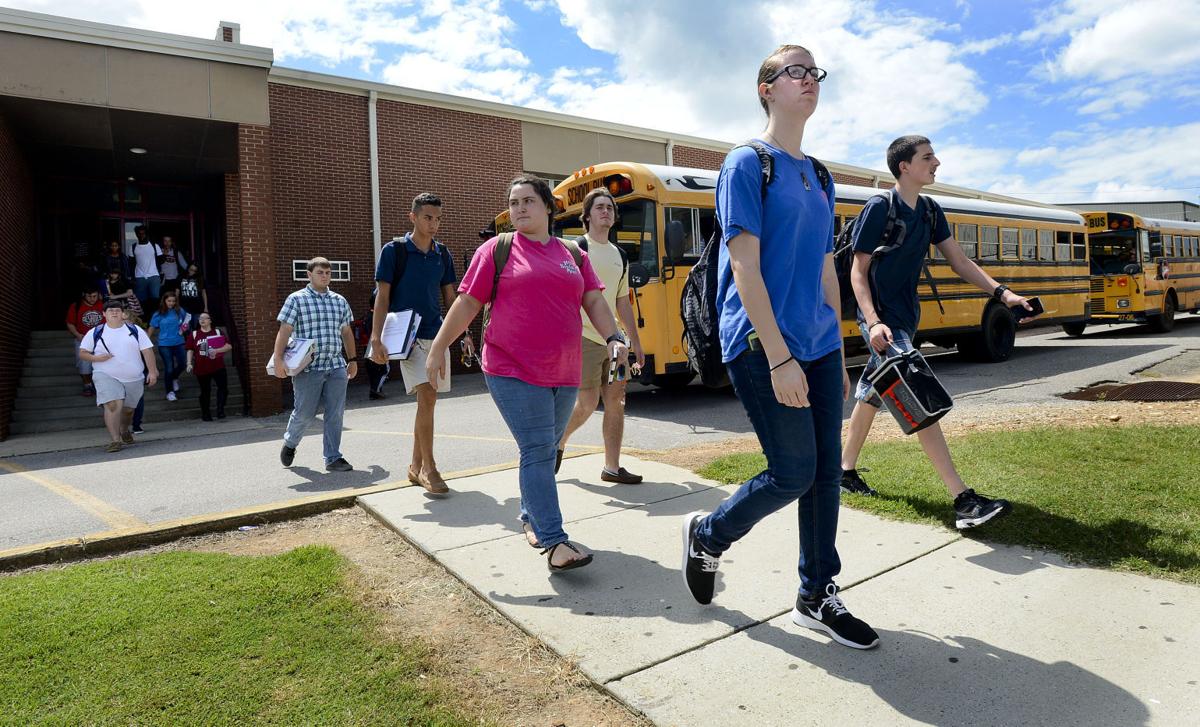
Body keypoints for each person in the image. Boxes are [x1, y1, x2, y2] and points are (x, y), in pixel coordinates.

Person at [679, 45, 879, 650]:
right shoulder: (746, 164)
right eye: (795, 70)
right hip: (764, 344)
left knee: (825, 476)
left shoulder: (819, 175)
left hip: (817, 349)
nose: (809, 79)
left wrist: (836, 351)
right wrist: (779, 356)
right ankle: (709, 535)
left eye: (814, 71)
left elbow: (825, 270)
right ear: (766, 88)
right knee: (793, 472)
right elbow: (743, 266)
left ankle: (817, 594)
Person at [426, 175, 627, 572]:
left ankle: (530, 516)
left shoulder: (572, 252)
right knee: (537, 449)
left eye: (528, 201)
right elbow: (467, 303)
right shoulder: (496, 250)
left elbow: (594, 300)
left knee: (545, 449)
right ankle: (555, 541)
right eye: (513, 202)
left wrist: (614, 337)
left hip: (565, 369)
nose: (519, 208)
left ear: (548, 208)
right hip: (511, 367)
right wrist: (437, 348)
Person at [840, 135, 1032, 530]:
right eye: (928, 157)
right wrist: (873, 321)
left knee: (873, 395)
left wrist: (1003, 293)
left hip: (906, 317)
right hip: (883, 322)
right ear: (904, 166)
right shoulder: (880, 207)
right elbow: (857, 272)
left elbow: (960, 261)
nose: (937, 162)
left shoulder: (929, 211)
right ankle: (963, 500)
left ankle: (842, 473)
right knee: (918, 396)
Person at [368, 192, 473, 495]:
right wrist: (376, 337)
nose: (434, 224)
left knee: (428, 403)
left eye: (438, 218)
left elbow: (451, 298)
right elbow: (383, 297)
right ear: (412, 217)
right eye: (428, 217)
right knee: (426, 398)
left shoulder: (443, 254)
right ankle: (430, 469)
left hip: (437, 335)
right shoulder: (394, 251)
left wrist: (463, 332)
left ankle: (415, 467)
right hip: (405, 337)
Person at [556, 188, 647, 484]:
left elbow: (623, 302)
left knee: (617, 399)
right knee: (586, 403)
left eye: (609, 207)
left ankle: (612, 467)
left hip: (614, 341)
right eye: (599, 207)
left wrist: (635, 341)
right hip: (583, 337)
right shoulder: (576, 249)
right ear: (587, 215)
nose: (606, 211)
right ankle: (557, 442)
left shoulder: (620, 255)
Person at [274, 257, 357, 472]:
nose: (325, 276)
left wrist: (353, 360)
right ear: (309, 275)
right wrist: (278, 359)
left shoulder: (339, 301)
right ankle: (291, 442)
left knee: (335, 413)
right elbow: (285, 330)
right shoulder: (296, 299)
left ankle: (333, 458)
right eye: (320, 272)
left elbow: (346, 332)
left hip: (336, 365)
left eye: (328, 272)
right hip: (308, 368)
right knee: (304, 413)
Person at [78, 298, 158, 453]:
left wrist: (153, 371)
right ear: (104, 314)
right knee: (113, 404)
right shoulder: (95, 332)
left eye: (117, 310)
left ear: (123, 314)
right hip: (105, 374)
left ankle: (124, 429)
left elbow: (147, 351)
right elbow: (82, 353)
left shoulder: (135, 330)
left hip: (133, 377)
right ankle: (115, 440)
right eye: (110, 310)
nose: (114, 313)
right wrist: (96, 358)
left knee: (128, 410)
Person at [185, 312, 232, 421]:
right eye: (200, 318)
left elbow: (228, 346)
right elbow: (190, 349)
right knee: (205, 391)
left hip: (218, 366)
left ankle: (220, 411)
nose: (202, 320)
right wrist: (188, 363)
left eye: (205, 318)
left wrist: (216, 350)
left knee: (223, 388)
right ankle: (206, 414)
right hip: (201, 367)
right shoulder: (194, 334)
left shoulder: (217, 332)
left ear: (210, 320)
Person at [148, 292, 189, 401]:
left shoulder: (180, 311)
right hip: (164, 344)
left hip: (179, 342)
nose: (171, 303)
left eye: (173, 301)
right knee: (169, 368)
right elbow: (152, 327)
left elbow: (186, 322)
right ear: (164, 301)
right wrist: (146, 340)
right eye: (169, 301)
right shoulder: (158, 313)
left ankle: (174, 378)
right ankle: (170, 392)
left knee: (183, 364)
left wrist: (185, 327)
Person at [65, 286, 104, 396]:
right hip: (83, 340)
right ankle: (87, 385)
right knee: (84, 363)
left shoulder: (103, 305)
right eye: (89, 296)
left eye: (94, 296)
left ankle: (99, 385)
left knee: (102, 363)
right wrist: (77, 334)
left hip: (101, 340)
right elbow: (70, 323)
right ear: (84, 295)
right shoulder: (76, 306)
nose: (92, 299)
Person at [357, 290, 390, 400]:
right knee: (384, 370)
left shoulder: (366, 316)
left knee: (373, 373)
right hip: (375, 349)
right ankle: (376, 390)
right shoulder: (377, 318)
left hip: (367, 350)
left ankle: (375, 390)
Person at [130, 225, 163, 313]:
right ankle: (144, 321)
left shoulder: (154, 245)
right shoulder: (133, 247)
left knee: (155, 299)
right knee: (141, 301)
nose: (141, 235)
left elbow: (161, 260)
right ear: (136, 235)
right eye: (139, 234)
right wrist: (132, 278)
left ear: (147, 234)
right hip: (139, 276)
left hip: (154, 275)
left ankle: (154, 320)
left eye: (143, 233)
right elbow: (131, 263)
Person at [178, 262, 208, 332]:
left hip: (197, 307)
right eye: (191, 269)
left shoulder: (200, 278)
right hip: (184, 307)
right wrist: (177, 305)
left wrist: (206, 307)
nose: (192, 272)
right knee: (186, 328)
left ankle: (194, 341)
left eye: (194, 271)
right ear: (188, 269)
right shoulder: (181, 277)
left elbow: (204, 293)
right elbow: (177, 292)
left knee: (196, 327)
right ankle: (188, 340)